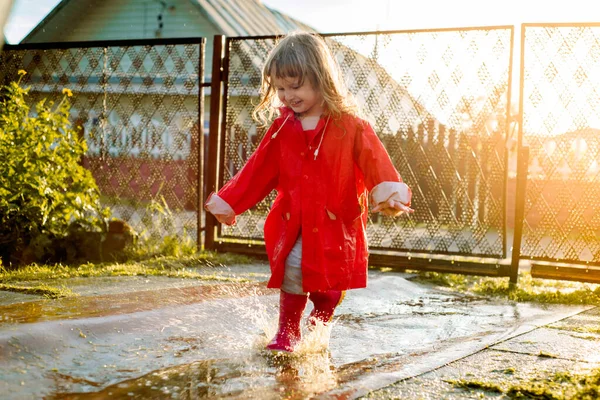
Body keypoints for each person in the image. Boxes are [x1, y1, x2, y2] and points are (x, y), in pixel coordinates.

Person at [205, 31, 413, 354]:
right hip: (296, 221)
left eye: (295, 85)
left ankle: (317, 329)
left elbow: (375, 160)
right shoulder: (282, 129)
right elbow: (257, 171)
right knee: (293, 270)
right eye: (281, 88)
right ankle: (286, 333)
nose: (288, 95)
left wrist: (388, 191)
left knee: (329, 289)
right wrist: (230, 200)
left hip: (335, 225)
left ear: (321, 79)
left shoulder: (350, 126)